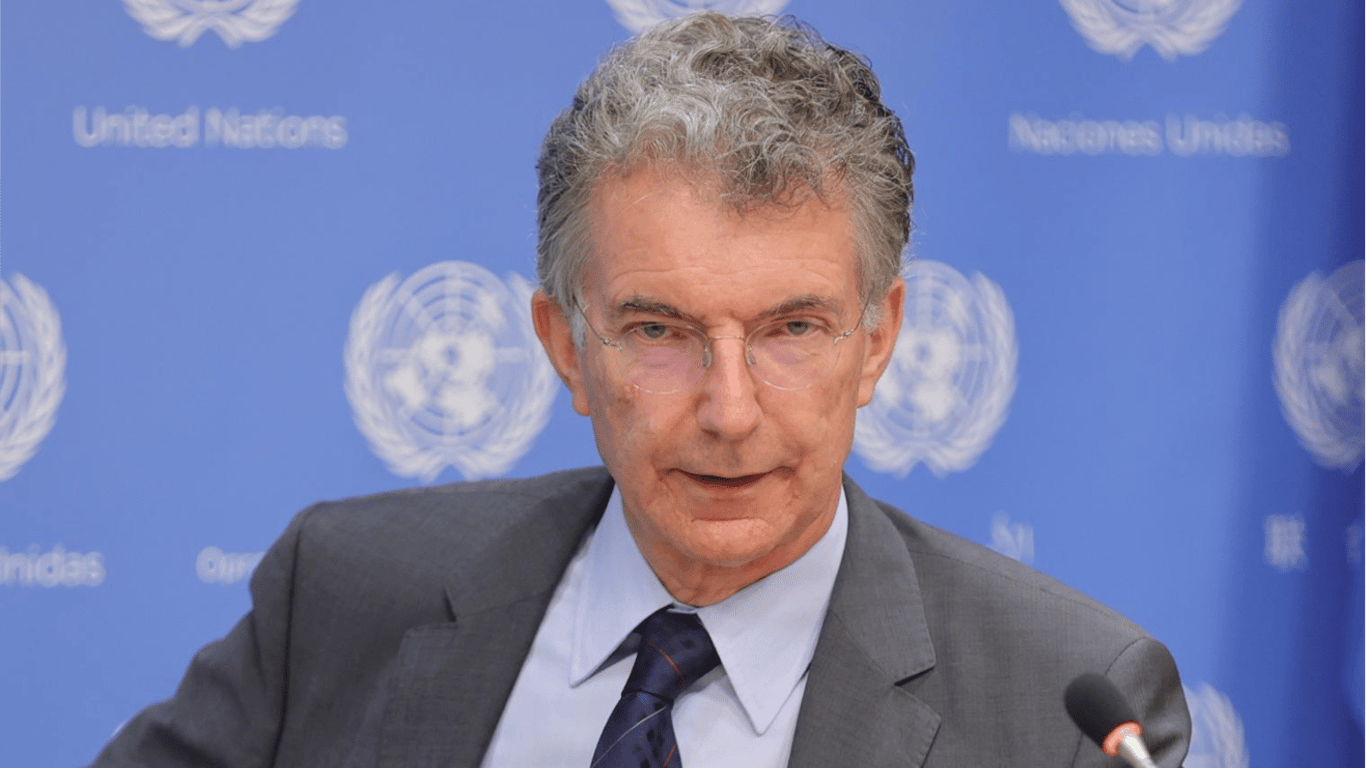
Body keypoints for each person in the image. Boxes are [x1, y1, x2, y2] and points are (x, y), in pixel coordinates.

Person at [90, 12, 1190, 768]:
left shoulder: (1068, 709)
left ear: (877, 340)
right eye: (660, 331)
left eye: (792, 329)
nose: (730, 411)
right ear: (566, 347)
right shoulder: (341, 594)